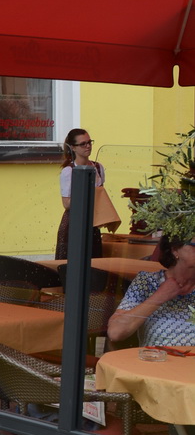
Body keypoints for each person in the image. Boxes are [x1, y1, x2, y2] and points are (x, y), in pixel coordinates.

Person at [108, 235, 195, 347]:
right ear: (175, 250)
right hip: (158, 361)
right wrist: (160, 296)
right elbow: (116, 332)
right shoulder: (148, 282)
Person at [55, 128, 113, 260]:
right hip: (74, 221)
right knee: (72, 260)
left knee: (94, 259)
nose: (88, 146)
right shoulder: (68, 171)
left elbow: (101, 195)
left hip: (92, 220)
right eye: (83, 144)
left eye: (89, 142)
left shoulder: (98, 167)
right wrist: (86, 196)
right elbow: (66, 203)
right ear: (73, 148)